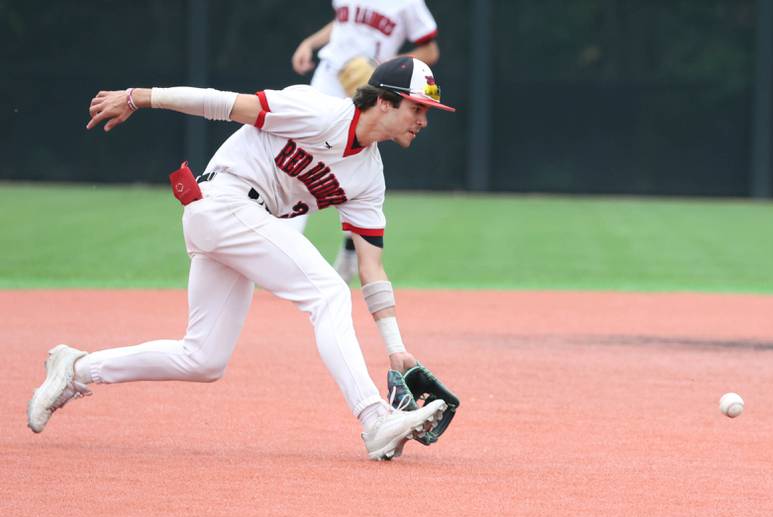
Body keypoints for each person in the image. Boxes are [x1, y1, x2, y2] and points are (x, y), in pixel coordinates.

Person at [26, 56, 455, 461]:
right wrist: (140, 95)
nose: (423, 120)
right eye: (417, 107)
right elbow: (221, 103)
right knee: (327, 294)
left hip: (237, 222)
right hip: (223, 199)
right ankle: (375, 418)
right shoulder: (318, 111)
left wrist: (396, 350)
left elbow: (371, 268)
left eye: (427, 111)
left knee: (203, 359)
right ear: (383, 101)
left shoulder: (368, 177)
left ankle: (77, 369)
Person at [289, 0, 441, 283]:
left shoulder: (407, 4)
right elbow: (344, 23)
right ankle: (287, 242)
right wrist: (310, 43)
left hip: (369, 89)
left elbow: (430, 50)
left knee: (353, 164)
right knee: (298, 151)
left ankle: (350, 245)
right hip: (329, 76)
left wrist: (387, 68)